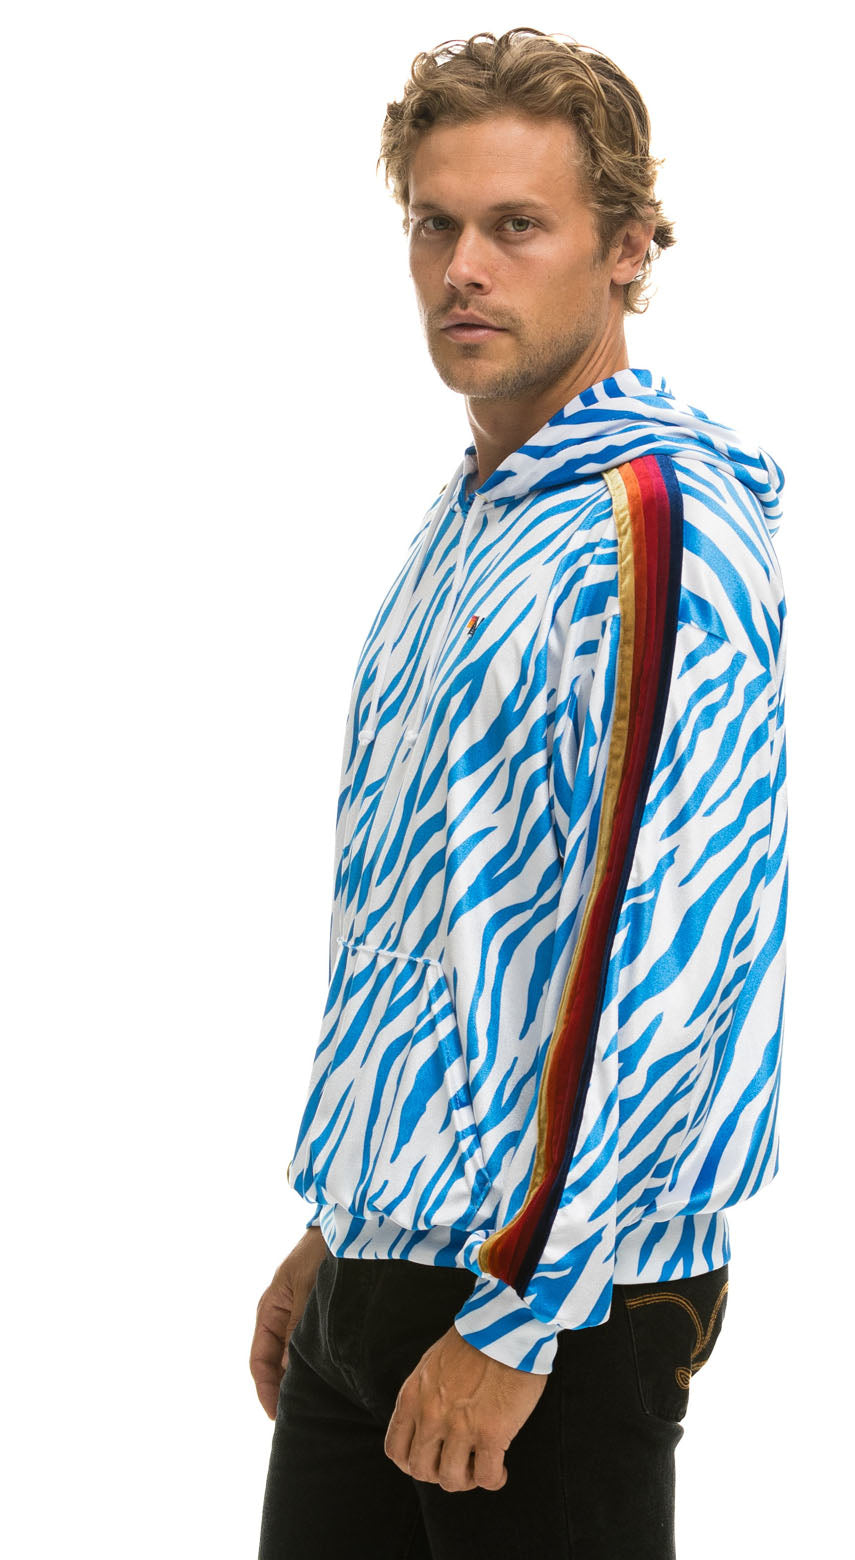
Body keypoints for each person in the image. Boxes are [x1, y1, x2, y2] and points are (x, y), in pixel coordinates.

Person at [252, 26, 788, 1560]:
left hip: (547, 1306)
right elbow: (452, 922)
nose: (463, 270)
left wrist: (524, 1310)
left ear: (627, 250)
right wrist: (339, 1230)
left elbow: (677, 944)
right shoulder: (475, 514)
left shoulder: (657, 523)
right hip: (390, 1268)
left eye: (517, 225)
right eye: (435, 224)